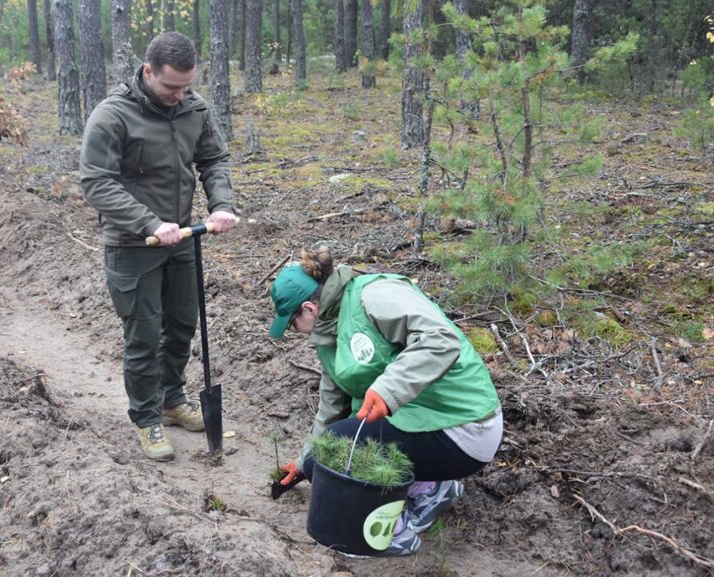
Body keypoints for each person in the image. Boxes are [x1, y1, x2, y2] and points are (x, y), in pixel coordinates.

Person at [270, 247, 502, 556]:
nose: (294, 331)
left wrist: (388, 391)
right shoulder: (330, 333)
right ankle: (428, 485)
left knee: (339, 451)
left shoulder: (375, 295)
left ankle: (395, 530)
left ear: (310, 309)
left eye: (291, 323)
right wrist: (304, 462)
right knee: (320, 461)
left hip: (464, 425)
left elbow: (440, 340)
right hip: (419, 420)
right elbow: (331, 407)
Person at [80, 32, 237, 461]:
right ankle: (147, 420)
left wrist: (221, 205)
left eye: (186, 86)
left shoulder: (194, 108)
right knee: (144, 335)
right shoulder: (113, 115)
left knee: (183, 324)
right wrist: (149, 222)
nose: (179, 95)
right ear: (148, 71)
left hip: (183, 238)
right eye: (171, 87)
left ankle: (172, 401)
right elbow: (96, 181)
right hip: (133, 244)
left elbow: (214, 159)